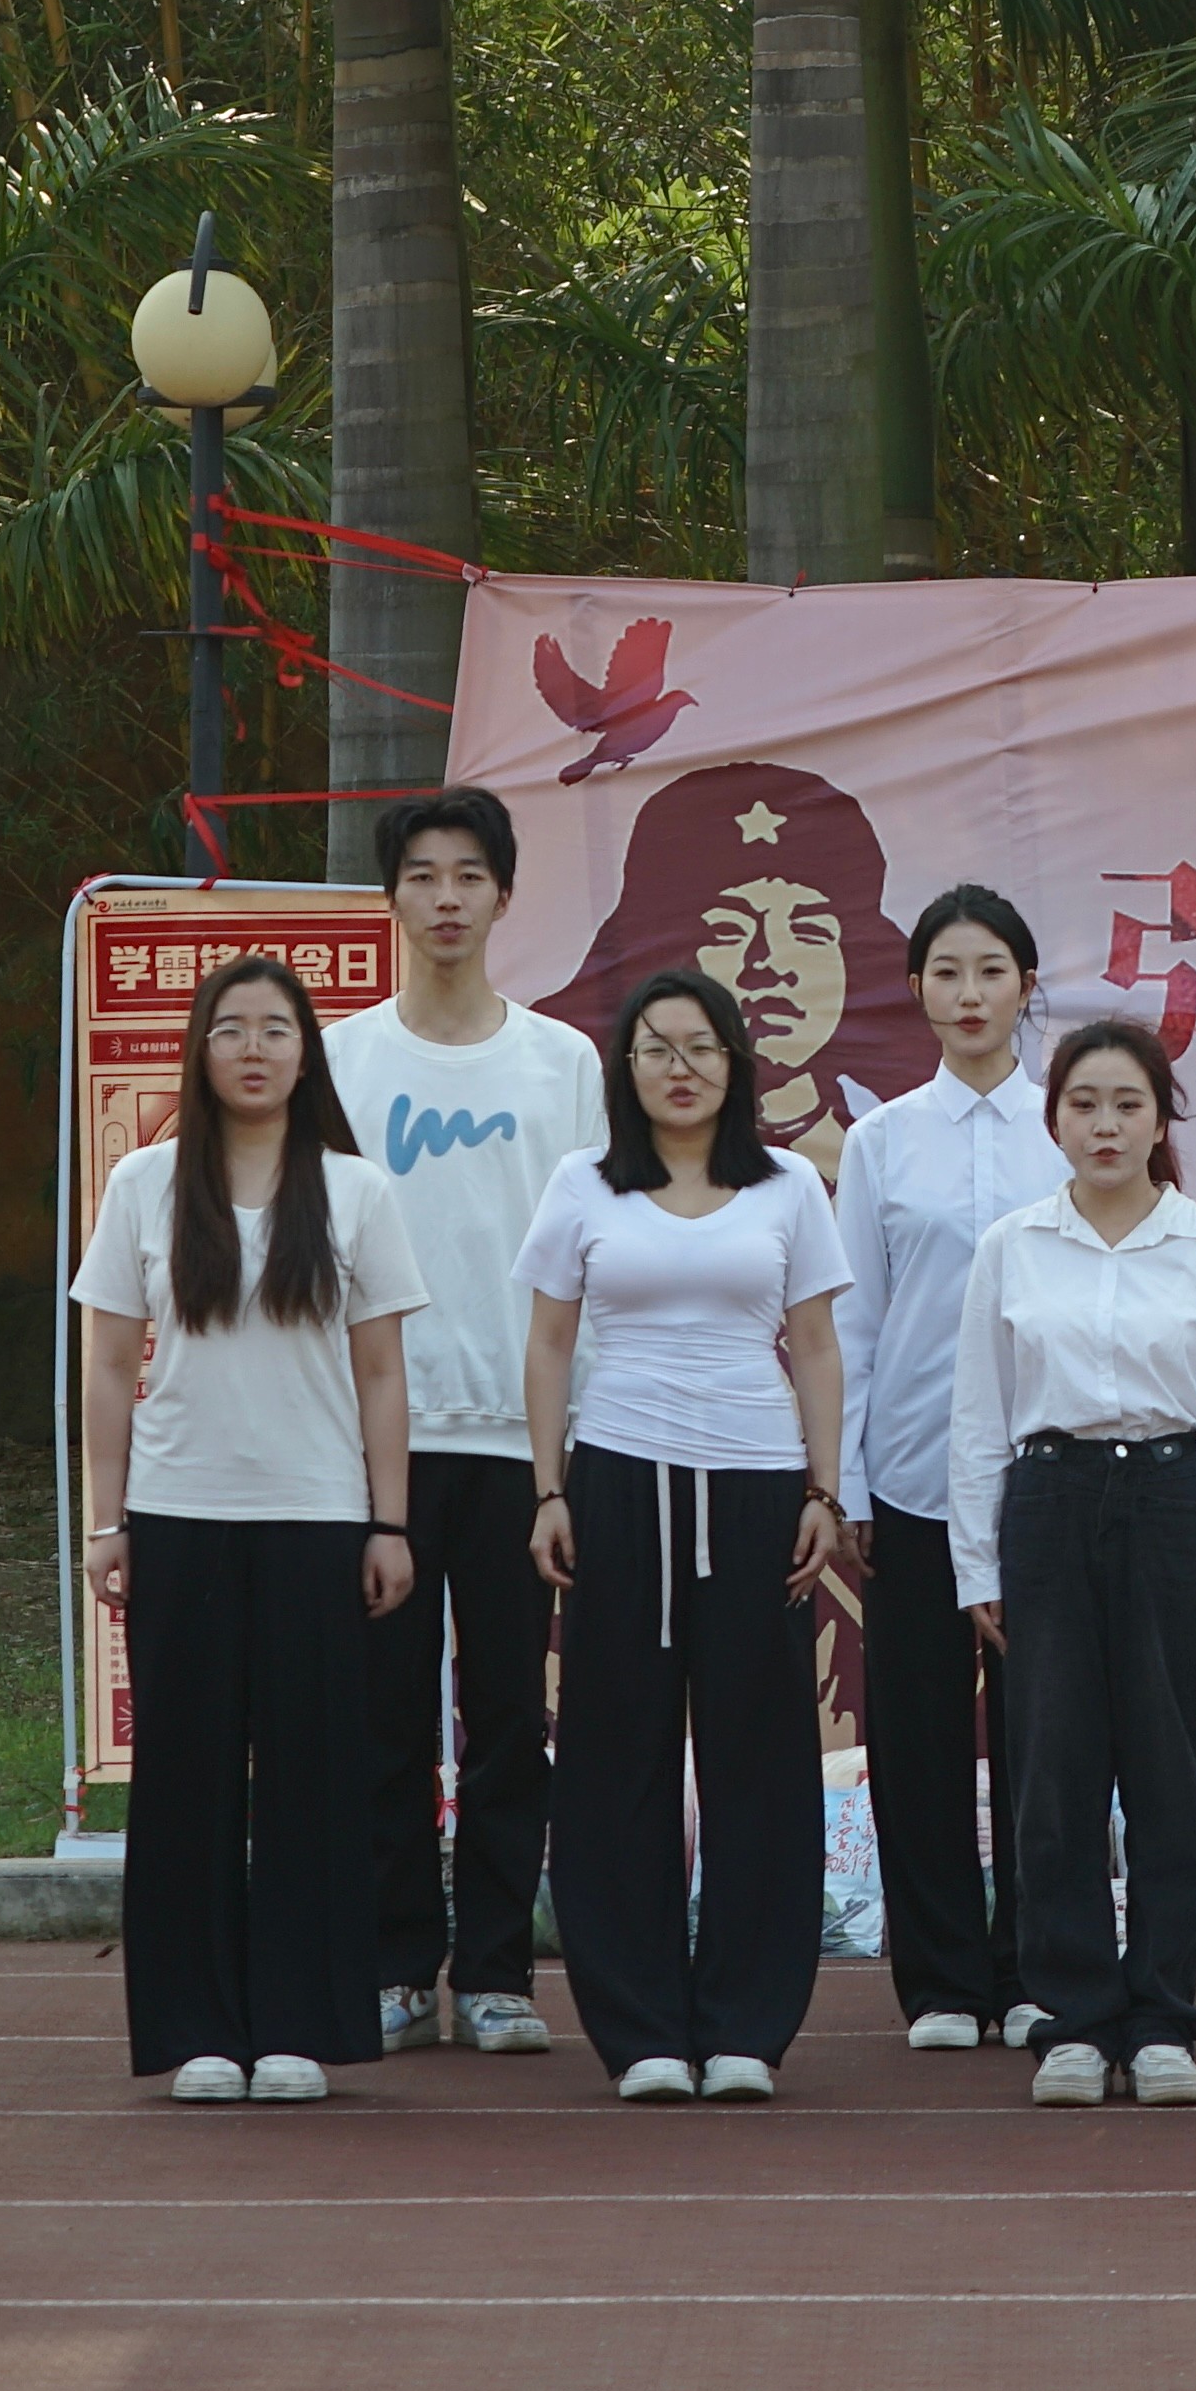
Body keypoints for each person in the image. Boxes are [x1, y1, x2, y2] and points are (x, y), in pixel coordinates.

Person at [77, 956, 428, 2105]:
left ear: (304, 1051)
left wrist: (388, 1520)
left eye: (276, 1028)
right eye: (230, 1027)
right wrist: (106, 1519)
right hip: (178, 1514)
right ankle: (196, 2027)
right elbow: (106, 1363)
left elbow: (383, 1371)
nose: (253, 1048)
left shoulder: (355, 1190)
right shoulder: (143, 1183)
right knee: (184, 1775)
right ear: (200, 1048)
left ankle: (299, 2023)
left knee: (311, 1775)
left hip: (317, 1516)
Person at [521, 970, 852, 2099]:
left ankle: (747, 2025)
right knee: (616, 1756)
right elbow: (549, 1343)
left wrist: (823, 1491)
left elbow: (816, 1345)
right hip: (618, 1482)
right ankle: (644, 2029)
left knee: (759, 1758)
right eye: (656, 1047)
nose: (680, 1067)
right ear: (626, 1068)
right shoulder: (583, 1182)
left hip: (758, 1489)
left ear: (734, 1062)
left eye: (701, 1046)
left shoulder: (788, 1185)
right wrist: (549, 1490)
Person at [951, 1017, 1196, 2109]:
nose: (1105, 1124)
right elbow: (977, 1419)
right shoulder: (1012, 1245)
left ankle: (1163, 2016)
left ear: (1160, 1117)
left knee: (1169, 1776)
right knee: (1054, 1775)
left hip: (1172, 1504)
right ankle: (1077, 2019)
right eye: (1083, 1103)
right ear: (1053, 1120)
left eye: (1127, 1103)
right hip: (1048, 1504)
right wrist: (977, 1566)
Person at [328, 788, 602, 2058]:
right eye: (423, 874)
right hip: (370, 1446)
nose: (446, 897)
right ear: (392, 895)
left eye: (469, 875)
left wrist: (566, 1457)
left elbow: (590, 1259)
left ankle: (495, 1970)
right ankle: (394, 1962)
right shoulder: (341, 1059)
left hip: (515, 1443)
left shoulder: (563, 1064)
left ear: (503, 895)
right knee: (382, 1716)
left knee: (505, 1717)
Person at [833, 883, 1065, 2051]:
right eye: (946, 971)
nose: (969, 993)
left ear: (1028, 985)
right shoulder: (880, 1141)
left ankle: (1032, 1968)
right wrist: (847, 1481)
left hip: (1047, 1476)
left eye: (991, 970)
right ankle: (937, 1980)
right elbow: (855, 1322)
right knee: (918, 1733)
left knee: (1041, 1734)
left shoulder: (1070, 1126)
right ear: (917, 987)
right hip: (914, 1473)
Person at [557, 759, 931, 1169]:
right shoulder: (593, 1161)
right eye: (728, 932)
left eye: (808, 932)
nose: (766, 965)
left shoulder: (898, 1151)